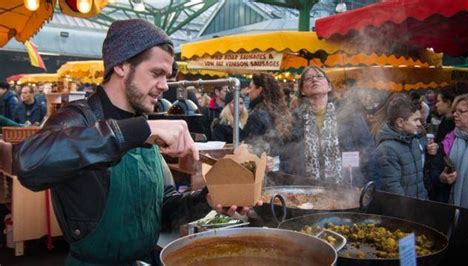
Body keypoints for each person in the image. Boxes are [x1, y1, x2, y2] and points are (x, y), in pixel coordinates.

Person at [14, 19, 255, 265]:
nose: (164, 85)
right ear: (121, 65)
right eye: (156, 73)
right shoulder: (79, 118)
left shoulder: (145, 122)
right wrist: (138, 130)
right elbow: (28, 163)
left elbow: (163, 208)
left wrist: (206, 200)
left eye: (167, 75)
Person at [284, 66, 379, 187]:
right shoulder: (295, 120)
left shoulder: (349, 115)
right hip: (309, 189)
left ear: (329, 86)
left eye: (319, 76)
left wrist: (371, 190)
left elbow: (369, 153)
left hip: (348, 189)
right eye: (308, 78)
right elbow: (288, 158)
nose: (314, 79)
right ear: (302, 90)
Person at [375, 94, 438, 199]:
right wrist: (409, 211)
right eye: (415, 120)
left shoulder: (413, 140)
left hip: (419, 206)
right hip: (405, 211)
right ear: (400, 122)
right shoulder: (387, 149)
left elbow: (419, 180)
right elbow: (393, 189)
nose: (419, 124)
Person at [440, 92, 468, 209]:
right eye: (455, 111)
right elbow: (437, 168)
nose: (455, 114)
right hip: (451, 205)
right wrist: (443, 177)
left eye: (461, 111)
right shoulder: (450, 137)